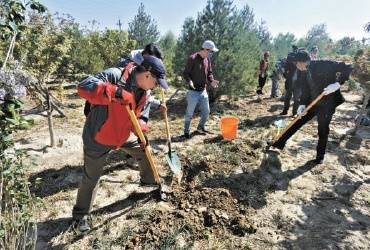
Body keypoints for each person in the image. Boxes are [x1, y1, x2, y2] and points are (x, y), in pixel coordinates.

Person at [72, 55, 168, 233]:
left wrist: (140, 129)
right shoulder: (115, 75)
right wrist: (115, 92)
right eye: (156, 82)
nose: (156, 86)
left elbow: (134, 116)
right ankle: (80, 217)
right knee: (91, 177)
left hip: (122, 135)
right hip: (98, 137)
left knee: (144, 148)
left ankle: (149, 182)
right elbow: (83, 86)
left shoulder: (144, 92)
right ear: (147, 75)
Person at [269, 50, 353, 164]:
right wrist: (302, 104)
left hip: (327, 104)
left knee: (322, 129)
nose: (296, 66)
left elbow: (348, 67)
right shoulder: (303, 71)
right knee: (297, 121)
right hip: (313, 102)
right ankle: (278, 143)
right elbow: (305, 88)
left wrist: (338, 84)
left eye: (297, 63)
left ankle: (320, 157)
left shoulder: (324, 64)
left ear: (303, 61)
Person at [183, 40, 219, 139]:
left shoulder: (207, 60)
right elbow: (186, 73)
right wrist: (189, 81)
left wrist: (211, 81)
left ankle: (200, 127)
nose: (212, 54)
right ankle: (186, 131)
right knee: (189, 113)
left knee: (206, 111)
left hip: (203, 91)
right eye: (211, 52)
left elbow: (209, 73)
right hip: (193, 92)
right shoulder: (192, 58)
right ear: (206, 50)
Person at [280, 46, 303, 116]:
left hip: (298, 83)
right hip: (290, 81)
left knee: (297, 99)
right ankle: (285, 111)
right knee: (287, 97)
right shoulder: (290, 59)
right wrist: (285, 74)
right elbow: (286, 67)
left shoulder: (302, 61)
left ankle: (294, 112)